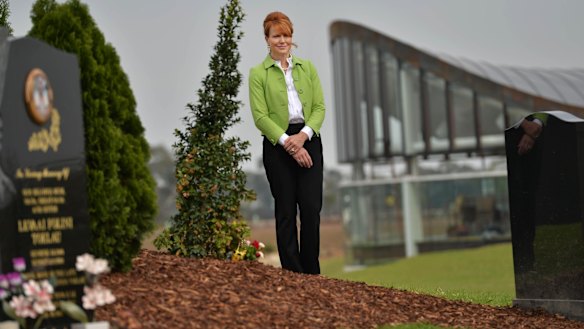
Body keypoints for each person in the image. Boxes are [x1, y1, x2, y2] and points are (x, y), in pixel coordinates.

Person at [248, 11, 325, 274]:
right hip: (277, 145)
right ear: (267, 39)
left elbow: (319, 108)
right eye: (277, 35)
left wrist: (303, 136)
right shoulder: (257, 74)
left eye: (287, 35)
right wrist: (288, 143)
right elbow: (260, 116)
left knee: (312, 208)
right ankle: (292, 272)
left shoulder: (308, 68)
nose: (283, 40)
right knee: (285, 209)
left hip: (309, 139)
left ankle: (311, 271)